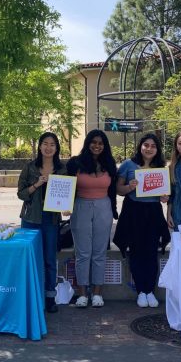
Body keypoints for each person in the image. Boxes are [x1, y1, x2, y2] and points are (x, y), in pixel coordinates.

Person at [113, 133, 171, 308]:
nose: (149, 148)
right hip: (133, 211)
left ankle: (150, 290)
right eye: (146, 145)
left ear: (157, 149)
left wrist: (164, 197)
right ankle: (140, 291)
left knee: (151, 252)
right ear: (140, 146)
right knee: (136, 251)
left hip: (152, 212)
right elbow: (118, 189)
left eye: (153, 146)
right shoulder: (128, 165)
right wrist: (129, 187)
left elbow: (165, 196)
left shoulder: (161, 167)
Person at [66, 129, 117, 308]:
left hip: (104, 208)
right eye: (93, 142)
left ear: (105, 146)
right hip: (81, 207)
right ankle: (82, 293)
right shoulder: (75, 163)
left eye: (100, 143)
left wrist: (114, 210)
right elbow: (66, 185)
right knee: (82, 253)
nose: (97, 146)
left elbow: (112, 191)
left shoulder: (110, 164)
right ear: (88, 143)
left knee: (99, 253)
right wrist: (64, 205)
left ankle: (97, 293)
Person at [17, 132, 65, 314]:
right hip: (30, 219)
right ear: (39, 146)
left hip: (50, 220)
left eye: (52, 144)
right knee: (29, 258)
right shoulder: (30, 167)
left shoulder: (61, 169)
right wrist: (36, 184)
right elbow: (21, 194)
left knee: (50, 259)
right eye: (45, 143)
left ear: (56, 148)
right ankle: (31, 295)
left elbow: (67, 193)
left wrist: (67, 207)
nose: (48, 147)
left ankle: (50, 297)